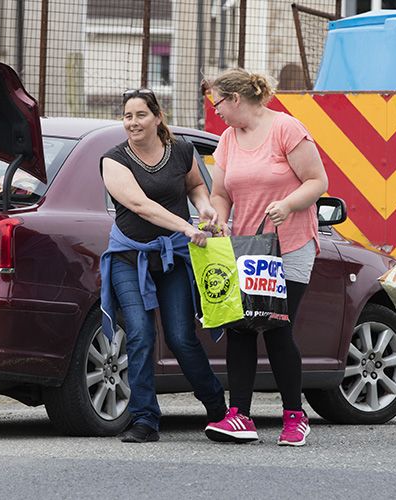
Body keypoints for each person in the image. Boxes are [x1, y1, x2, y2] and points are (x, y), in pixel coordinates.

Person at [203, 69, 328, 446]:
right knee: (240, 327)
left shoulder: (286, 129)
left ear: (236, 99)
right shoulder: (227, 139)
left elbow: (318, 181)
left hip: (290, 244)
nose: (217, 111)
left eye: (218, 103)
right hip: (248, 249)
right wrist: (219, 216)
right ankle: (239, 415)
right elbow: (221, 192)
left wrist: (288, 205)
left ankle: (294, 416)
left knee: (276, 326)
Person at [99, 88, 227, 443]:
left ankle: (218, 410)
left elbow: (197, 186)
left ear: (157, 117)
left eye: (140, 115)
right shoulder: (113, 160)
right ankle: (145, 420)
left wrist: (204, 208)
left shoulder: (182, 150)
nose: (133, 123)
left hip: (172, 257)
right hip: (130, 257)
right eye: (127, 116)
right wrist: (185, 226)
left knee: (182, 337)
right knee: (139, 334)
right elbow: (139, 205)